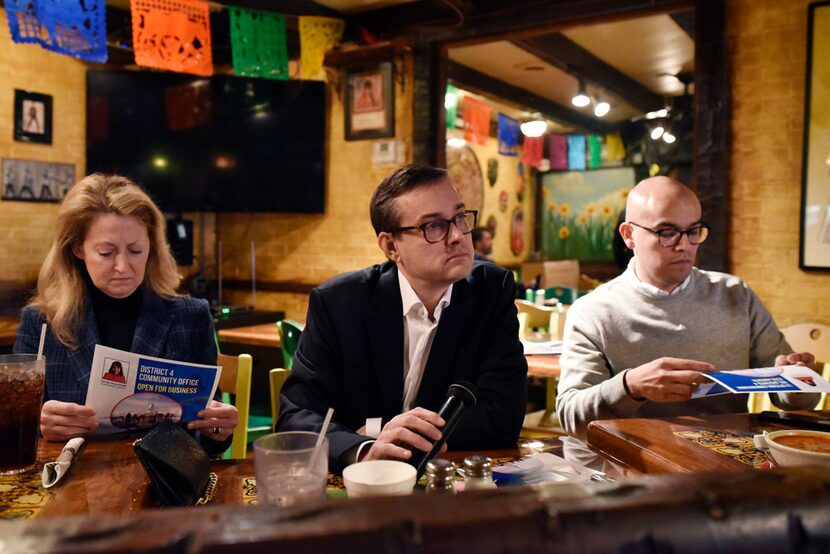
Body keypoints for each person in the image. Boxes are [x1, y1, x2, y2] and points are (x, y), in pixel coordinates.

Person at [278, 164, 527, 473]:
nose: (457, 236)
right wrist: (365, 450)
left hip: (446, 482)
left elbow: (503, 417)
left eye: (459, 218)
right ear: (391, 246)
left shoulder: (491, 290)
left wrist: (374, 432)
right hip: (363, 485)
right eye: (433, 226)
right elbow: (296, 417)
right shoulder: (339, 302)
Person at [556, 176, 819, 438]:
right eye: (667, 233)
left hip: (731, 460)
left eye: (693, 231)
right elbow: (571, 416)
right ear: (629, 235)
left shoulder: (735, 295)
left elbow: (796, 398)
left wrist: (797, 384)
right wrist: (630, 387)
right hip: (635, 462)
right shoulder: (593, 311)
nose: (684, 246)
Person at [14, 174, 237, 455]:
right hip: (73, 482)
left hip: (163, 485)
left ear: (152, 247)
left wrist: (218, 429)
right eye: (106, 253)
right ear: (77, 248)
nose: (123, 266)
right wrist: (37, 423)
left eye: (135, 250)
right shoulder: (40, 322)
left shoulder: (189, 317)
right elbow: (15, 427)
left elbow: (206, 438)